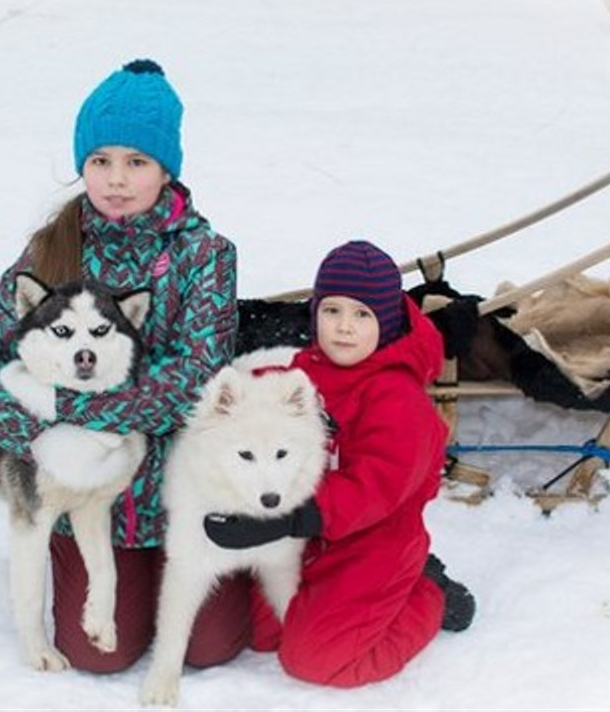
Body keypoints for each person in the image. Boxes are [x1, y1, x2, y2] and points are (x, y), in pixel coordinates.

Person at [0, 59, 248, 673]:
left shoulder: (204, 254)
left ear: (167, 168)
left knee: (210, 648)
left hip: (179, 491)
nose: (115, 179)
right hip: (86, 494)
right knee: (97, 657)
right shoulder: (55, 248)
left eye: (136, 161)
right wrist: (31, 433)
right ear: (82, 165)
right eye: (100, 161)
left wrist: (67, 409)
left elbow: (193, 381)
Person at [204, 239, 476, 688]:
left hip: (374, 541)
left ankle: (426, 596)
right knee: (262, 633)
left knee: (315, 660)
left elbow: (373, 488)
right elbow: (258, 397)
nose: (344, 328)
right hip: (309, 541)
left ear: (385, 322)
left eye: (362, 315)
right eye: (332, 311)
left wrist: (285, 519)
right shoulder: (306, 372)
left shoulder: (398, 399)